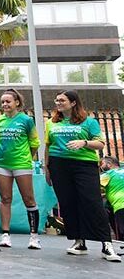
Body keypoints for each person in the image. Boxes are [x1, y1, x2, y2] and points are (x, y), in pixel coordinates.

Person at [44, 90, 120, 262]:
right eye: (56, 100)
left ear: (73, 103)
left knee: (92, 202)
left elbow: (100, 144)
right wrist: (47, 168)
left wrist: (83, 143)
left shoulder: (89, 122)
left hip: (84, 165)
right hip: (59, 165)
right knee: (68, 203)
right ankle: (79, 242)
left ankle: (106, 244)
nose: (58, 103)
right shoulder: (51, 123)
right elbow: (48, 147)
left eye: (62, 100)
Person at [0, 89, 41, 250]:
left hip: (22, 164)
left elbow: (34, 143)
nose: (5, 104)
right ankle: (5, 234)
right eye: (3, 102)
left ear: (17, 103)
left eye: (8, 101)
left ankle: (34, 236)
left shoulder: (26, 120)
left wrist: (26, 157)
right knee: (5, 198)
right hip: (2, 164)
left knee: (29, 199)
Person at [100, 156, 124, 241]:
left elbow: (93, 188)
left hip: (121, 206)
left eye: (101, 164)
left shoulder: (107, 175)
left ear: (109, 164)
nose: (100, 167)